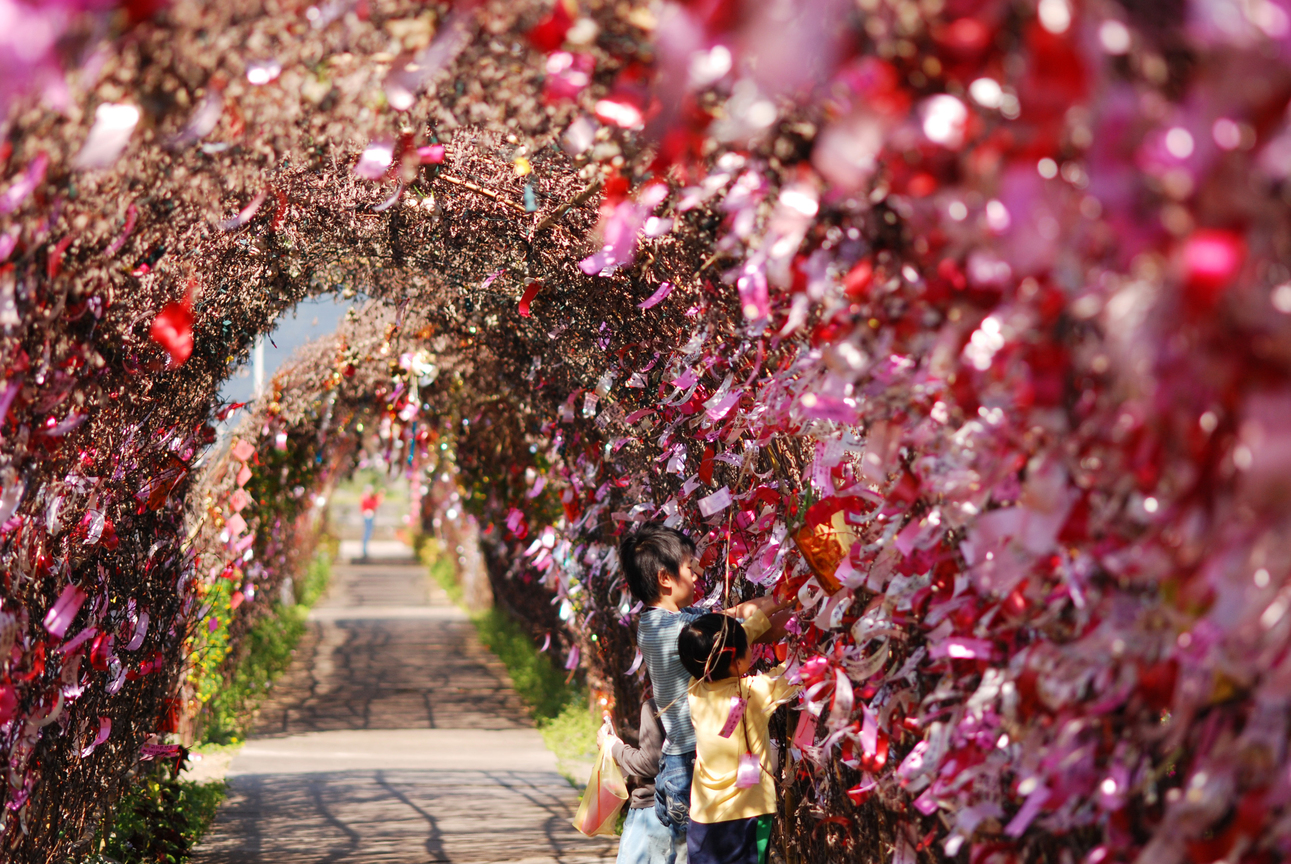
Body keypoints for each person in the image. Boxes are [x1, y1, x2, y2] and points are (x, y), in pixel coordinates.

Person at [618, 523, 787, 850]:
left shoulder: (653, 624)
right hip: (691, 762)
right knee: (691, 852)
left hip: (678, 760)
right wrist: (782, 598)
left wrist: (779, 608)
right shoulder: (682, 630)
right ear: (665, 579)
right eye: (689, 568)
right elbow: (729, 629)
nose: (696, 576)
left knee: (692, 851)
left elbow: (731, 618)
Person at [678, 614, 799, 864]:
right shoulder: (753, 693)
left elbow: (722, 649)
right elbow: (793, 672)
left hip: (703, 817)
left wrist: (744, 632)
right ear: (736, 657)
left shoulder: (695, 689)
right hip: (748, 814)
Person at [598, 696, 687, 864]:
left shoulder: (657, 705)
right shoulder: (718, 698)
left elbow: (650, 763)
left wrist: (613, 748)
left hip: (654, 812)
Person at [360, 485, 381, 559]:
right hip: (367, 516)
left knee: (369, 532)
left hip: (370, 515)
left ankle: (365, 549)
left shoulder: (371, 498)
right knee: (367, 532)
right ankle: (364, 549)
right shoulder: (365, 497)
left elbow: (376, 504)